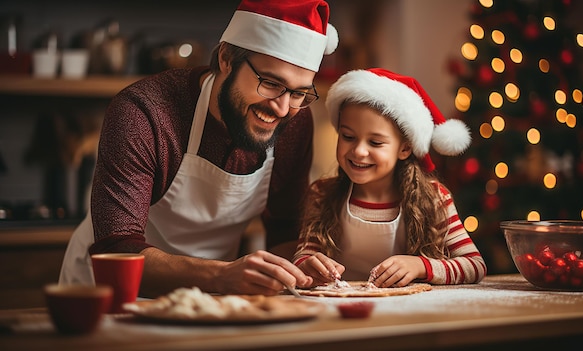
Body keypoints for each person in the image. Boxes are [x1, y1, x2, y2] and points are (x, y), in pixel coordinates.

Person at [59, 0, 339, 297]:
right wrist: (220, 275)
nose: (283, 108)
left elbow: (283, 226)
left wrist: (298, 266)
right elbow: (116, 251)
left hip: (209, 295)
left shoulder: (295, 123)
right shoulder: (143, 113)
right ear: (226, 58)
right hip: (109, 295)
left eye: (298, 92)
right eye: (270, 83)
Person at [292, 68, 487, 287]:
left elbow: (475, 265)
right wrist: (309, 264)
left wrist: (420, 266)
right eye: (348, 137)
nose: (358, 151)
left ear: (404, 149)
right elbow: (302, 257)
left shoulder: (435, 198)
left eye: (375, 142)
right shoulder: (321, 194)